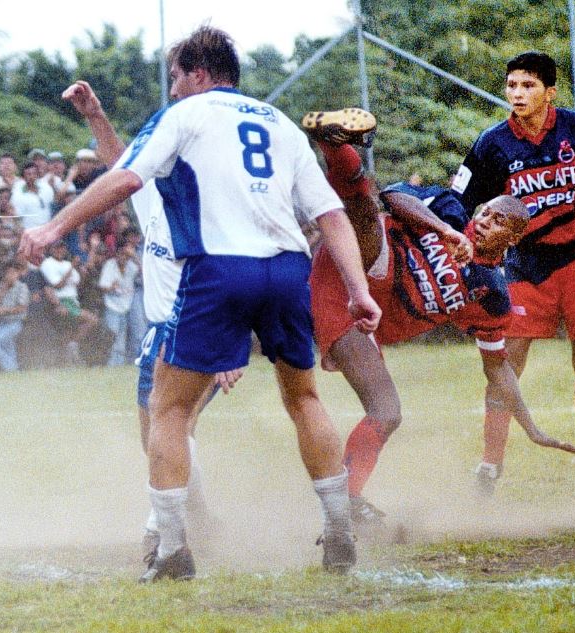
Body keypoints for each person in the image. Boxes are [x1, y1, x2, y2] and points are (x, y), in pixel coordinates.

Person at [21, 27, 381, 579]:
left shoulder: (186, 116)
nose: (172, 89)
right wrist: (359, 290)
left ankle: (171, 550)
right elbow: (329, 213)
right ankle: (338, 534)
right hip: (287, 268)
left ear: (197, 73)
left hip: (217, 270)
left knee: (166, 410)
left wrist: (53, 228)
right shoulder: (279, 124)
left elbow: (124, 178)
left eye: (175, 78)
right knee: (304, 399)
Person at [304, 112, 575, 519]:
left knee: (387, 412)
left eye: (498, 221)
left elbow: (498, 368)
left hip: (355, 316)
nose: (484, 221)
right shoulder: (451, 211)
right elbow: (394, 199)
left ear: (514, 238)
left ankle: (345, 503)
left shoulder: (490, 294)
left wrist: (530, 426)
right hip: (352, 266)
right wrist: (444, 231)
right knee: (366, 213)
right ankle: (333, 143)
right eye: (485, 213)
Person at [451, 51, 575, 494]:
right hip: (524, 266)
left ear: (550, 92)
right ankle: (489, 467)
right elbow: (458, 200)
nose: (517, 93)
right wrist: (457, 239)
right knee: (503, 366)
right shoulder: (492, 144)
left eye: (528, 85)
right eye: (512, 85)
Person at [61, 79, 219, 565]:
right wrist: (95, 114)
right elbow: (119, 162)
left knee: (170, 426)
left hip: (196, 327)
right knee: (158, 433)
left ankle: (160, 532)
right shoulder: (153, 197)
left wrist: (232, 341)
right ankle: (199, 512)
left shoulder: (215, 212)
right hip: (160, 334)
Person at [98, 241, 139, 366]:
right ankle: (110, 364)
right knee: (112, 336)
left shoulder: (131, 266)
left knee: (122, 338)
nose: (123, 257)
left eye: (126, 255)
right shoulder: (110, 265)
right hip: (112, 307)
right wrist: (111, 287)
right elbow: (102, 286)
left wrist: (134, 256)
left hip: (125, 307)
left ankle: (119, 365)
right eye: (121, 254)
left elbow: (144, 270)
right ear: (116, 254)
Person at [0, 261, 29, 372]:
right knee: (10, 351)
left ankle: (12, 368)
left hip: (15, 323)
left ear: (18, 273)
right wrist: (4, 288)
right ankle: (14, 374)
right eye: (8, 272)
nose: (10, 275)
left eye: (13, 272)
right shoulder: (1, 286)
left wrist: (4, 310)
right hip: (2, 323)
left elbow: (22, 308)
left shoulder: (22, 287)